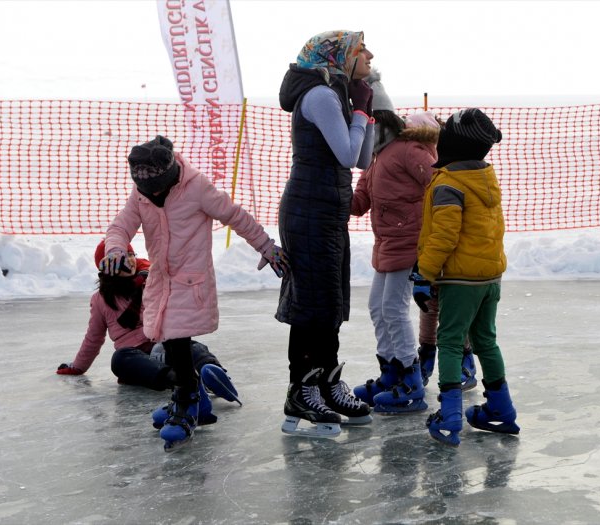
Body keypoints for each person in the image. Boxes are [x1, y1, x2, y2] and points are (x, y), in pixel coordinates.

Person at [98, 135, 287, 451]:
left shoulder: (197, 187)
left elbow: (235, 216)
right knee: (166, 338)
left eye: (157, 186)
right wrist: (116, 248)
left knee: (175, 336)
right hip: (162, 278)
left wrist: (266, 246)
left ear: (170, 175)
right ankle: (195, 401)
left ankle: (187, 399)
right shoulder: (141, 194)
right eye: (147, 189)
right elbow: (121, 226)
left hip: (192, 280)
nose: (153, 193)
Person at [276, 30, 375, 438]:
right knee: (312, 305)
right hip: (309, 209)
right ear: (338, 58)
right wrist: (360, 114)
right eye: (360, 50)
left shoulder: (338, 93)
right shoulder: (319, 95)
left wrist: (366, 112)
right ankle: (302, 388)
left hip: (328, 211)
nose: (369, 55)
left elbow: (365, 157)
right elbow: (347, 155)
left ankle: (328, 383)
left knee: (330, 301)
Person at [415, 108, 520, 446]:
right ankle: (501, 411)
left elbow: (444, 236)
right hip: (490, 277)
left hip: (459, 280)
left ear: (451, 146)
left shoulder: (448, 184)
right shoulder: (485, 177)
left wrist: (423, 273)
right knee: (486, 341)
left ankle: (448, 417)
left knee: (449, 341)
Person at [56, 240, 241, 427]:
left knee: (189, 346)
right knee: (120, 358)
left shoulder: (150, 281)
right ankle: (179, 381)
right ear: (108, 267)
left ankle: (212, 372)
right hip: (136, 358)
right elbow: (93, 337)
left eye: (131, 255)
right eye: (122, 258)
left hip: (163, 344)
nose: (130, 261)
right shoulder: (100, 299)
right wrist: (77, 367)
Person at [348, 68, 440, 414]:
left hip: (410, 244)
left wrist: (431, 236)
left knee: (393, 309)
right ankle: (391, 373)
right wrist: (333, 189)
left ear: (380, 119)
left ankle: (411, 381)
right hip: (386, 246)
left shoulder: (407, 149)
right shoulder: (375, 156)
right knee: (377, 307)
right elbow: (359, 204)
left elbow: (438, 184)